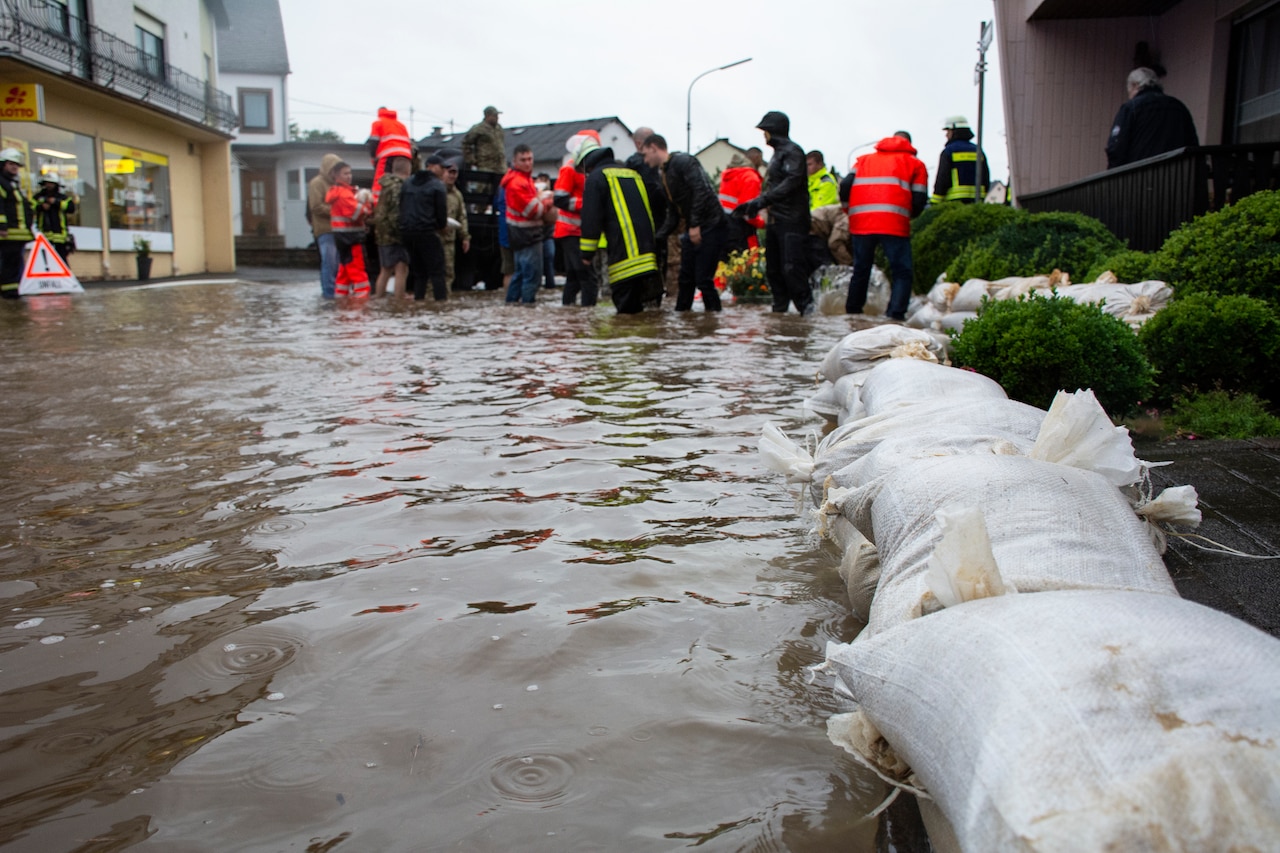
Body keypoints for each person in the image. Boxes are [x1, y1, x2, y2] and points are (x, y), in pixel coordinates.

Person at [733, 111, 813, 315]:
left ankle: (807, 312)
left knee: (792, 268)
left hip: (792, 221)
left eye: (765, 131)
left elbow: (791, 182)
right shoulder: (778, 154)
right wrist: (753, 204)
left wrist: (762, 201)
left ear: (773, 131)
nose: (763, 135)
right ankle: (779, 313)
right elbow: (775, 186)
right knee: (774, 269)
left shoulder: (793, 152)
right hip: (776, 220)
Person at [845, 134, 929, 320]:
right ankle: (895, 316)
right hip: (894, 222)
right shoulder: (915, 164)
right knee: (901, 271)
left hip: (861, 221)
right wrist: (908, 216)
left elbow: (845, 186)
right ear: (909, 144)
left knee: (860, 270)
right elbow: (919, 198)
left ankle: (852, 314)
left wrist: (848, 210)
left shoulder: (863, 160)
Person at [577, 137, 662, 314]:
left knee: (627, 320)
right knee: (650, 317)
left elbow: (591, 218)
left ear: (587, 164)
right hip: (650, 260)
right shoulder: (632, 173)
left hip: (625, 263)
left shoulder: (596, 178)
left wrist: (586, 254)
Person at [642, 133, 726, 312]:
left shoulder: (683, 162)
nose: (644, 159)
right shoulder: (664, 173)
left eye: (645, 154)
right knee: (685, 279)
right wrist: (657, 237)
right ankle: (683, 320)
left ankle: (714, 322)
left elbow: (701, 190)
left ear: (653, 148)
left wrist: (695, 225)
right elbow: (673, 212)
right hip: (693, 226)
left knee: (703, 279)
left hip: (712, 224)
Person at [1106, 67, 1199, 169]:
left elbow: (1116, 147)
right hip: (1175, 176)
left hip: (1139, 176)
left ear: (1134, 85)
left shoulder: (1131, 108)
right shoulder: (1179, 107)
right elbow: (1192, 143)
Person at [624, 126, 675, 294]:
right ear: (640, 144)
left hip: (644, 222)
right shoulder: (643, 163)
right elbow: (657, 192)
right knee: (658, 260)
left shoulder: (634, 164)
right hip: (657, 220)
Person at [500, 144, 551, 304]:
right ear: (515, 161)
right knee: (532, 278)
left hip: (520, 235)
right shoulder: (517, 183)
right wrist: (549, 201)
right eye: (523, 160)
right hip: (527, 235)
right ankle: (527, 311)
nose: (528, 163)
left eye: (530, 159)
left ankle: (512, 308)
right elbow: (534, 211)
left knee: (520, 275)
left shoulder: (522, 179)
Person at [554, 131, 598, 306]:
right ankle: (588, 320)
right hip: (570, 231)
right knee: (587, 278)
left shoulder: (586, 169)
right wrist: (587, 204)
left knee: (574, 278)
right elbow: (560, 199)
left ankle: (570, 317)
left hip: (577, 231)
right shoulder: (570, 169)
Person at [398, 154, 449, 301]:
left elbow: (401, 207)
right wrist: (441, 227)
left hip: (407, 233)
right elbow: (441, 213)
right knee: (437, 272)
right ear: (431, 166)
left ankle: (419, 302)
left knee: (419, 273)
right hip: (427, 232)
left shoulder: (407, 183)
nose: (444, 171)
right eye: (442, 168)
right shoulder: (438, 186)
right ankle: (441, 306)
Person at [325, 161, 373, 298]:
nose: (349, 176)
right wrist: (367, 204)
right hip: (352, 238)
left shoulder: (336, 192)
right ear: (336, 176)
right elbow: (357, 214)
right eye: (345, 173)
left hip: (342, 238)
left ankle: (341, 304)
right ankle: (361, 307)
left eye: (350, 173)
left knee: (344, 273)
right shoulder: (344, 194)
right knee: (358, 272)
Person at [372, 156, 411, 297]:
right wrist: (403, 233)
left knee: (385, 269)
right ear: (408, 170)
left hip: (381, 233)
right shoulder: (399, 186)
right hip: (394, 234)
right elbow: (396, 212)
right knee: (401, 269)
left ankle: (378, 297)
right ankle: (399, 301)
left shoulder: (385, 185)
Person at [307, 153, 341, 298]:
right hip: (324, 230)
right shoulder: (317, 183)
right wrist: (338, 211)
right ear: (328, 169)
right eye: (334, 169)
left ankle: (335, 291)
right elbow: (315, 207)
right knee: (329, 262)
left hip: (338, 229)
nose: (336, 173)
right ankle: (328, 293)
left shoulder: (336, 184)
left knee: (337, 263)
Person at [931, 116, 987, 204]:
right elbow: (985, 176)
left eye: (948, 131)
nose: (946, 135)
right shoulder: (978, 150)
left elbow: (942, 178)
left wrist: (935, 201)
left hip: (955, 202)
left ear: (954, 131)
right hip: (977, 201)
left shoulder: (949, 151)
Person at [0, 147, 32, 299]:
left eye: (17, 165)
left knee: (14, 262)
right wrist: (2, 226)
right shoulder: (2, 183)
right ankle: (9, 292)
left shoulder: (12, 184)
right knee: (9, 262)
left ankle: (13, 289)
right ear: (3, 164)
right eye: (11, 164)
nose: (14, 167)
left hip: (17, 233)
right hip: (8, 233)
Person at [365, 106, 414, 203]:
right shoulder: (401, 125)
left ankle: (377, 204)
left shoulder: (378, 123)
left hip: (388, 154)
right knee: (403, 182)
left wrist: (374, 159)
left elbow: (373, 142)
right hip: (406, 157)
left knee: (381, 182)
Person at [718, 153, 763, 255]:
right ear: (757, 159)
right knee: (747, 264)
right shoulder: (750, 178)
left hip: (724, 226)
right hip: (742, 230)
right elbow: (748, 212)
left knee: (726, 265)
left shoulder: (728, 176)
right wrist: (764, 223)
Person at [441, 157, 471, 291]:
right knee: (434, 273)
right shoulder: (436, 190)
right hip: (434, 238)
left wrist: (465, 237)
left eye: (455, 173)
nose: (452, 176)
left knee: (448, 273)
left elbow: (462, 216)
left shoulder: (457, 194)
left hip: (449, 240)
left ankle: (444, 300)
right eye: (449, 172)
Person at [35, 174, 77, 262]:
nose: (49, 185)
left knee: (61, 260)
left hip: (60, 235)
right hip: (44, 235)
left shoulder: (62, 198)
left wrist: (56, 202)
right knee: (44, 260)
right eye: (47, 183)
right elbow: (30, 208)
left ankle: (64, 276)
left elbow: (71, 208)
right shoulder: (38, 197)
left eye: (51, 183)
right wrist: (41, 207)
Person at [463, 106, 507, 173]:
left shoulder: (499, 128)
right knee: (484, 182)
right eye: (494, 115)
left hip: (500, 166)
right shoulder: (478, 129)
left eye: (497, 115)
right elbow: (466, 143)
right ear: (487, 116)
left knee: (502, 182)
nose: (497, 118)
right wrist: (471, 160)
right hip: (485, 166)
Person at [534, 172, 557, 289]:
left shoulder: (552, 196)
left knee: (549, 259)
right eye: (540, 180)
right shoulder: (534, 195)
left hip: (548, 236)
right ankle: (537, 285)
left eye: (545, 180)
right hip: (535, 236)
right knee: (537, 263)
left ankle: (550, 285)